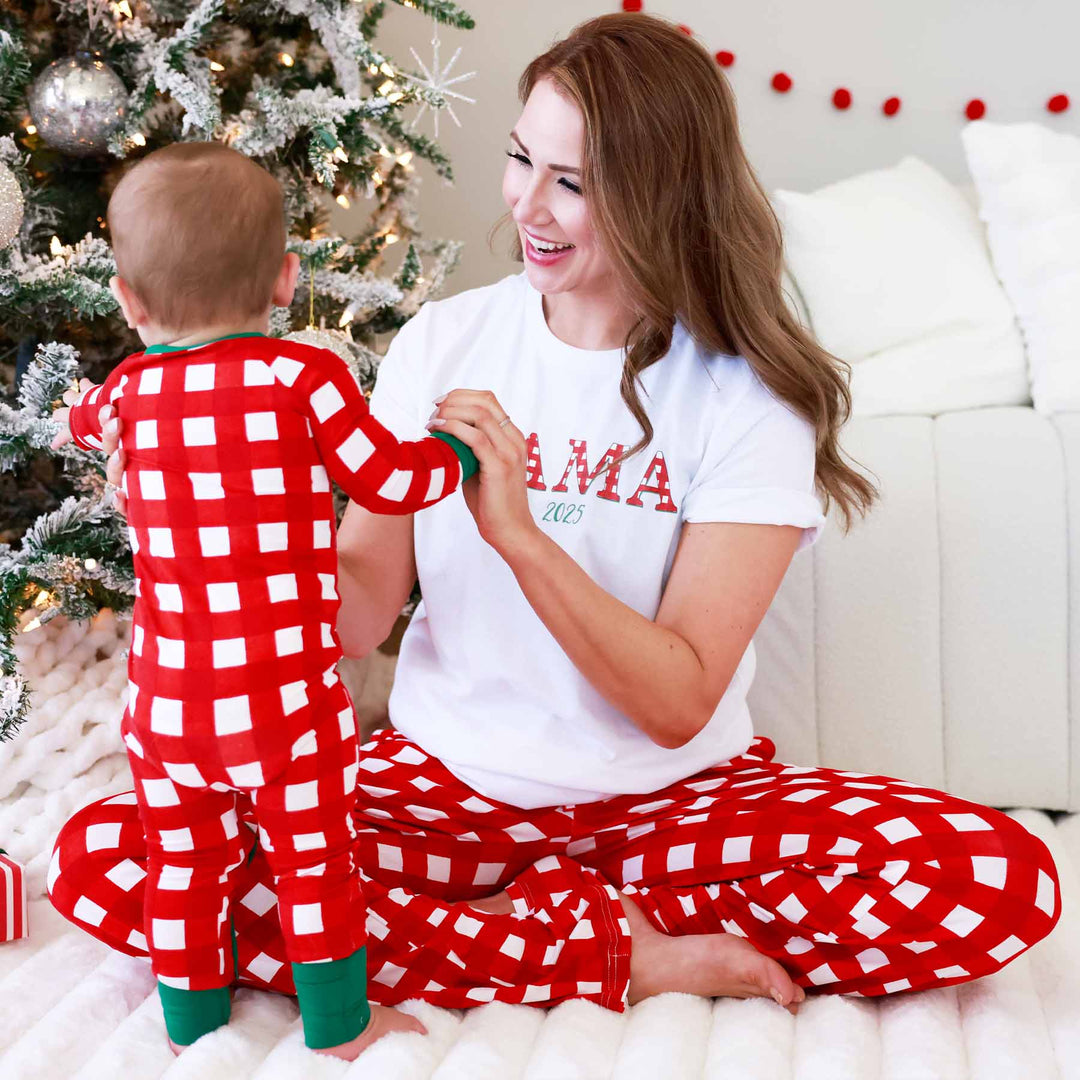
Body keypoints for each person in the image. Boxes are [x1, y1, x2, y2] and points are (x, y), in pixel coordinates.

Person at [49, 12, 1060, 1050]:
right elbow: (349, 622)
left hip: (669, 811)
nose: (529, 205)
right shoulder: (448, 341)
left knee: (997, 879)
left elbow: (677, 701)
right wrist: (201, 514)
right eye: (521, 159)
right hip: (442, 796)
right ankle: (610, 956)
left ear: (659, 194)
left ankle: (483, 943)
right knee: (109, 855)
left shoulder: (746, 396)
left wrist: (522, 537)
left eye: (571, 182)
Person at [49, 142, 477, 1058]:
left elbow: (82, 417)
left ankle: (190, 1027)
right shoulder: (303, 380)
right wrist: (463, 456)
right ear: (284, 280)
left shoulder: (128, 391)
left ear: (127, 301)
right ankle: (339, 1025)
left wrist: (75, 415)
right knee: (317, 861)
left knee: (182, 866)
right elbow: (392, 480)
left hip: (169, 704)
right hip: (285, 701)